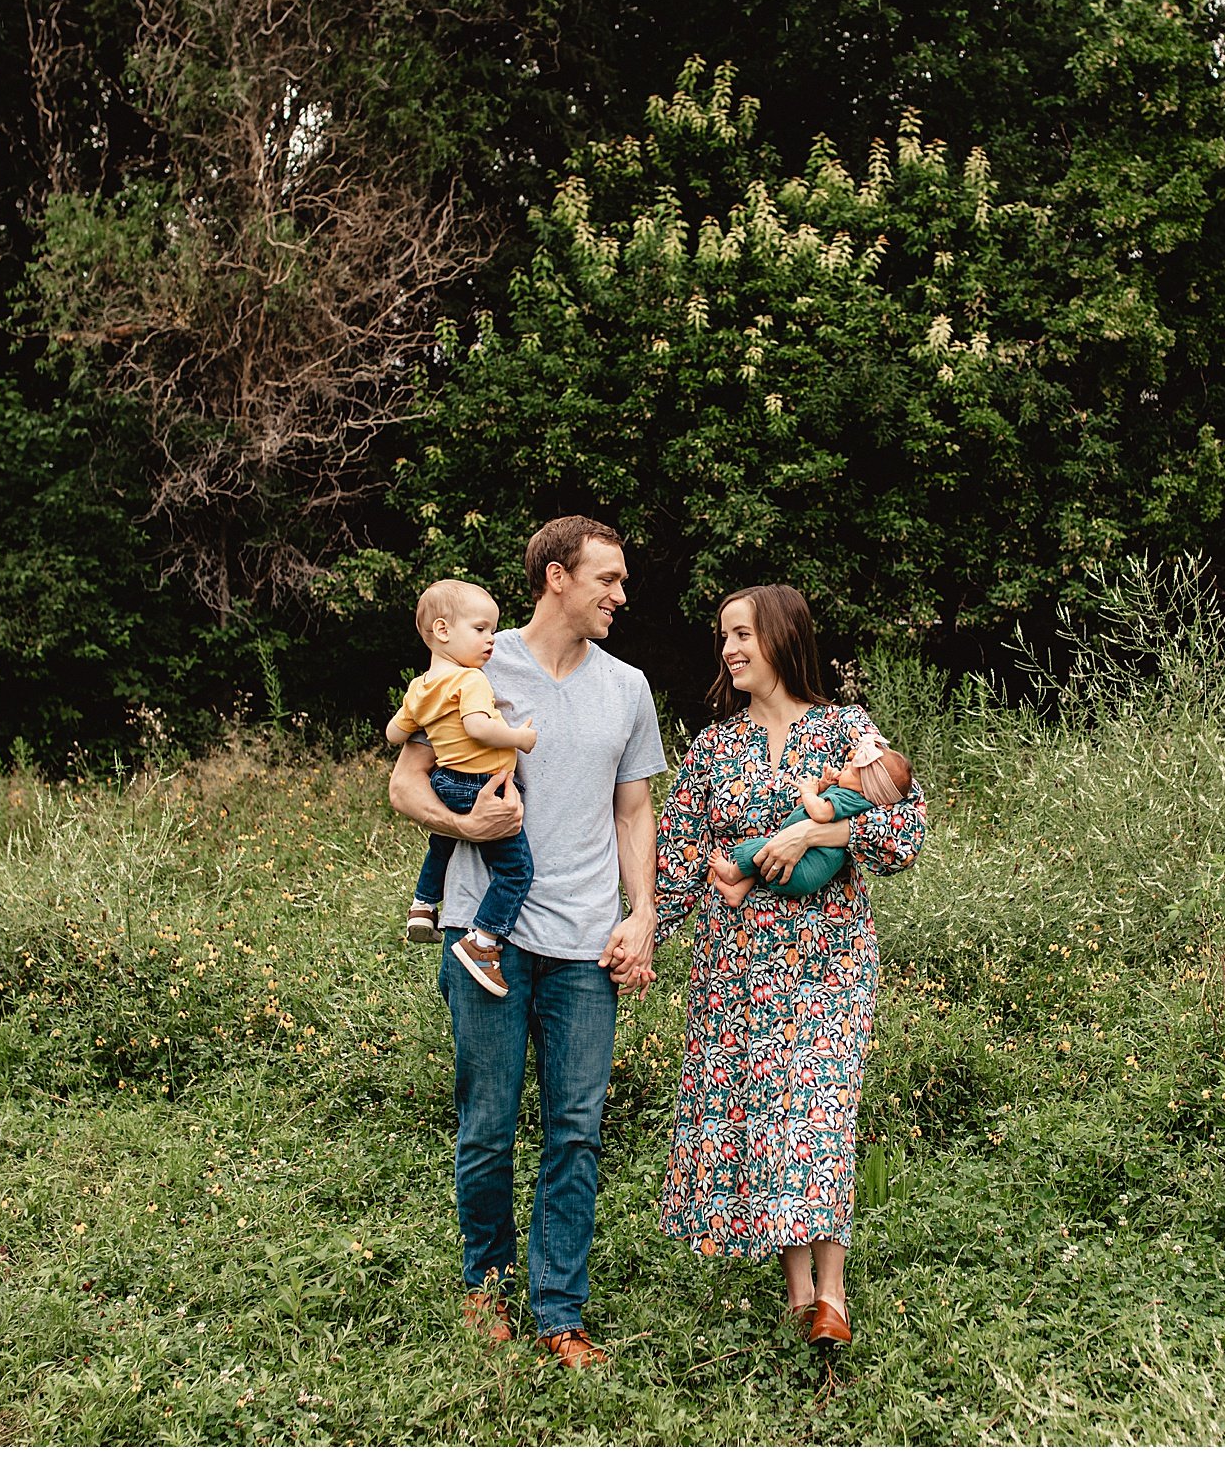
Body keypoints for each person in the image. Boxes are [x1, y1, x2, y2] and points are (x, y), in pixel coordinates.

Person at [388, 517, 665, 1369]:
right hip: (488, 937)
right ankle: (489, 1290)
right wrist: (462, 821)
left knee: (576, 1131)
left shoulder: (629, 686)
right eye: (606, 579)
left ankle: (559, 1312)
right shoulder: (475, 659)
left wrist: (642, 913)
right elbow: (404, 782)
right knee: (488, 1123)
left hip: (587, 943)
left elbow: (633, 810)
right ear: (556, 577)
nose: (621, 594)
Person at [650, 584, 927, 1348]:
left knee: (822, 1111)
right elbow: (677, 862)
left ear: (779, 635)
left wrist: (813, 836)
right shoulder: (713, 747)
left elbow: (903, 831)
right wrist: (640, 938)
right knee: (774, 1121)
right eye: (723, 637)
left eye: (742, 634)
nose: (729, 649)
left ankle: (832, 1292)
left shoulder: (845, 728)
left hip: (829, 959)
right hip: (738, 967)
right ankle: (799, 1292)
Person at [387, 578, 539, 997]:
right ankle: (483, 941)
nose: (491, 639)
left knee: (443, 841)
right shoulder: (470, 679)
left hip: (446, 782)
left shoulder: (419, 688)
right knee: (515, 870)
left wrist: (425, 721)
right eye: (481, 629)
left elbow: (393, 734)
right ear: (442, 631)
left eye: (493, 629)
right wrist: (518, 739)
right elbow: (477, 726)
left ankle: (422, 905)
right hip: (479, 785)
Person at [707, 730, 914, 906]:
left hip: (802, 869)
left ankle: (732, 873)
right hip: (804, 870)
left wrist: (808, 792)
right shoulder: (853, 797)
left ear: (866, 788)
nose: (846, 764)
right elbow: (825, 806)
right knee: (767, 858)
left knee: (762, 848)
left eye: (851, 769)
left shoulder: (852, 799)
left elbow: (820, 813)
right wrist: (825, 785)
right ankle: (738, 891)